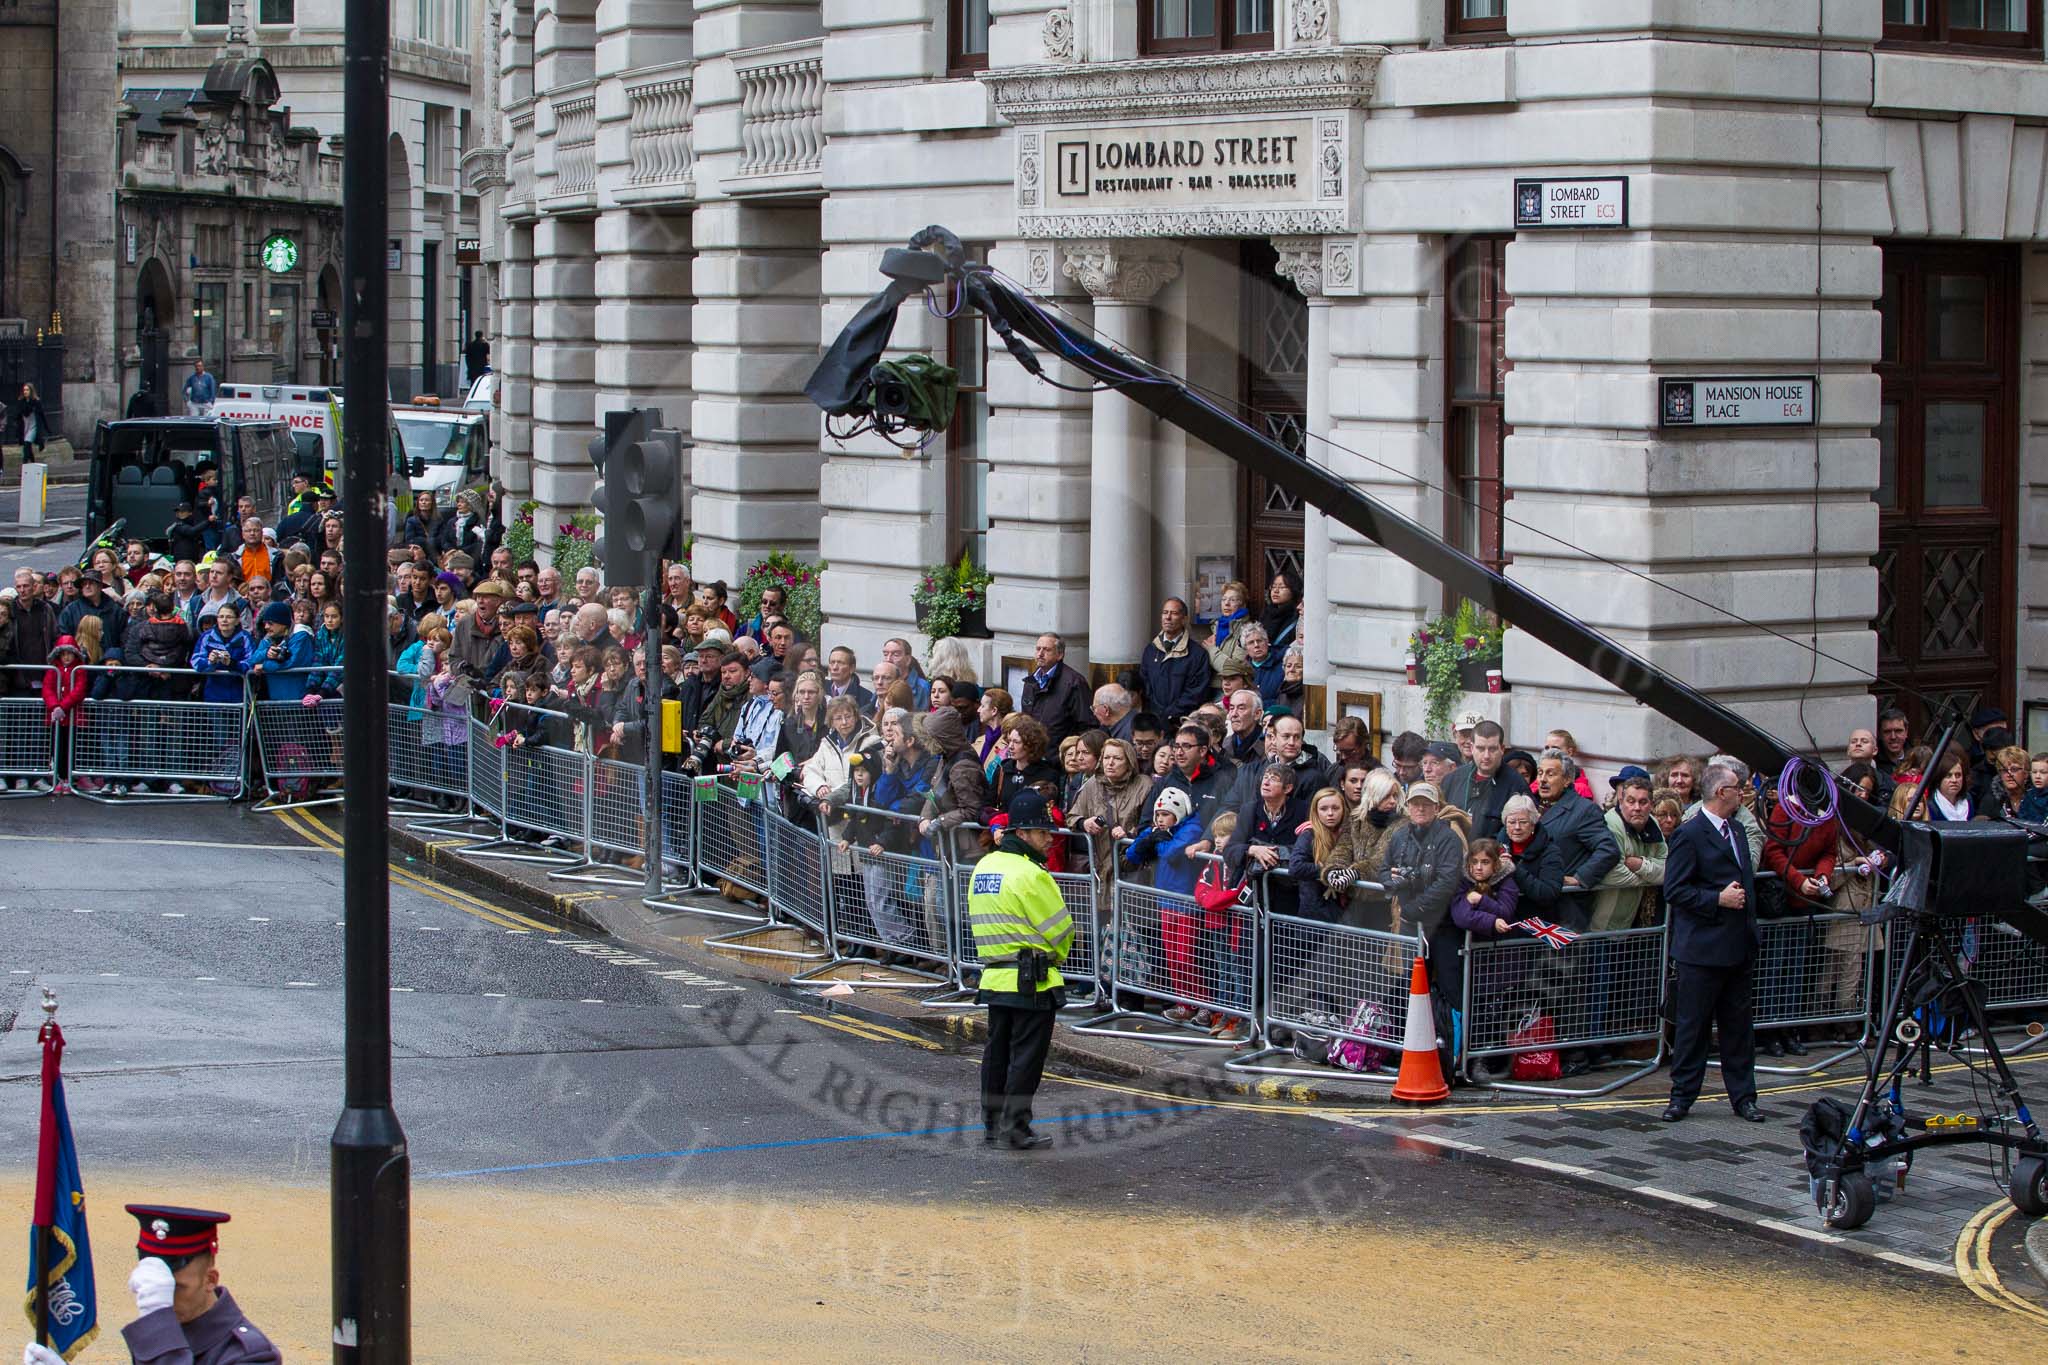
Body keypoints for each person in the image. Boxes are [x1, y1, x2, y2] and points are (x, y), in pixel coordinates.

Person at [968, 789, 1074, 1150]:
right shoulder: (1032, 875)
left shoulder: (984, 867)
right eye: (1044, 833)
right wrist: (1057, 956)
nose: (1049, 839)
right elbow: (1061, 931)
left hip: (995, 975)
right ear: (1024, 834)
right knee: (1025, 1059)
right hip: (1033, 979)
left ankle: (992, 1125)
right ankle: (1016, 1127)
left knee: (996, 1054)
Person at [1662, 760, 1765, 1124]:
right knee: (1693, 1027)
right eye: (1738, 788)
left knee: (1739, 1029)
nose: (1743, 793)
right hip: (1701, 951)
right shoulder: (1689, 835)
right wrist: (1715, 899)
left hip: (1736, 947)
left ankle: (1744, 1097)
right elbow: (1675, 890)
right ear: (1722, 792)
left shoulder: (1737, 831)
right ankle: (1682, 1096)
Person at [1138, 597, 1212, 723]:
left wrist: (1170, 715)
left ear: (1184, 619)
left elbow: (1196, 693)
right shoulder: (1150, 650)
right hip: (1153, 722)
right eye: (1165, 612)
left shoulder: (1197, 654)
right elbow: (1145, 685)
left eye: (1174, 613)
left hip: (1182, 723)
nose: (1168, 617)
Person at [1442, 719, 1513, 839]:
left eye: (1492, 749)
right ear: (1472, 747)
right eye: (1481, 748)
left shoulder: (1514, 785)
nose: (1486, 756)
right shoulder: (1452, 779)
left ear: (1502, 749)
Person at [1019, 632, 1092, 744]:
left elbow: (1086, 725)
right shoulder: (1031, 681)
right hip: (1032, 752)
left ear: (1060, 655)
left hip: (1058, 755)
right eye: (1038, 649)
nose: (1040, 654)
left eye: (1047, 650)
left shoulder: (1074, 683)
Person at [7, 382, 50, 472]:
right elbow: (18, 414)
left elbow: (42, 415)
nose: (25, 392)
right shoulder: (21, 402)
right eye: (24, 390)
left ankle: (24, 468)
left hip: (33, 427)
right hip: (25, 427)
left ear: (31, 391)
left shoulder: (36, 402)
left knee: (26, 445)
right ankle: (33, 464)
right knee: (28, 447)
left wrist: (47, 429)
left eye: (27, 390)